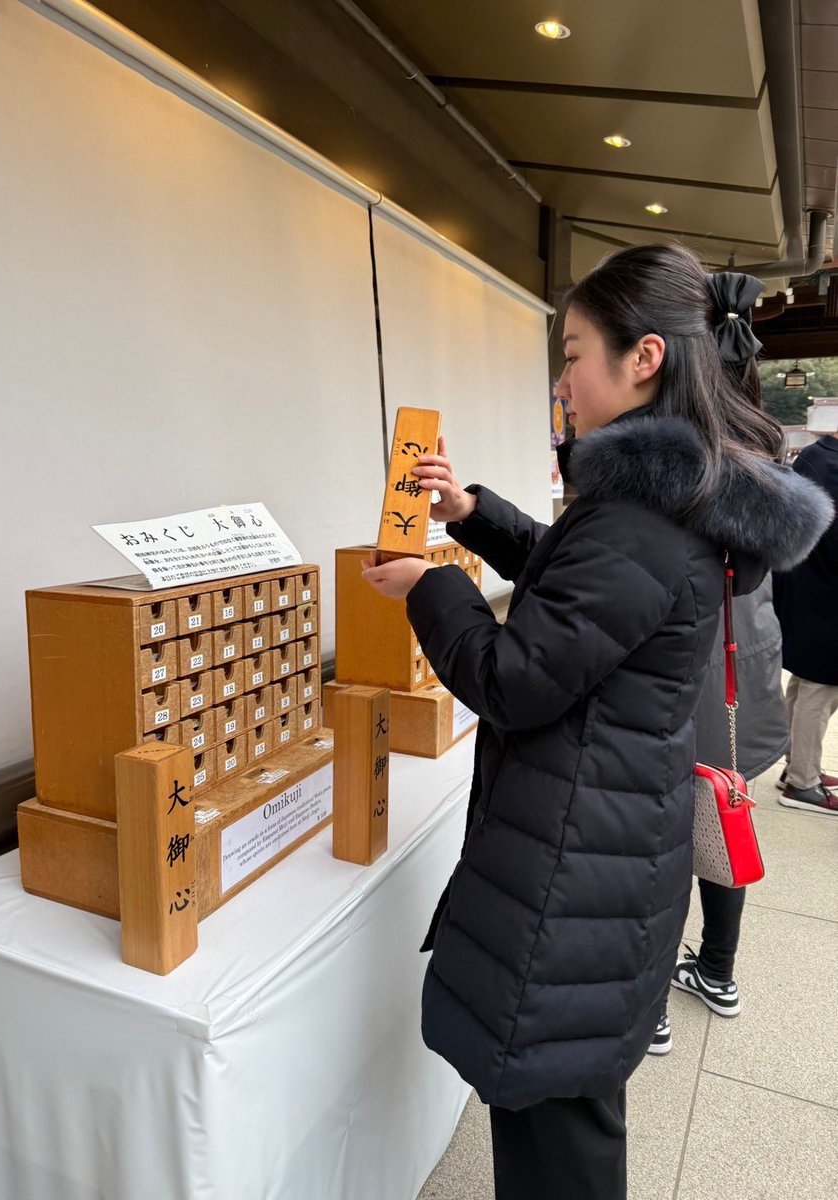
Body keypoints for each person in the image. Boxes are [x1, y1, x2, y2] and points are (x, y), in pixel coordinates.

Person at [361, 243, 834, 1200]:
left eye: (575, 352)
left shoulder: (637, 519)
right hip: (607, 844)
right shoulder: (664, 498)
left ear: (645, 357)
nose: (562, 378)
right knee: (567, 1122)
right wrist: (469, 513)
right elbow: (572, 575)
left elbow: (516, 676)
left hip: (574, 872)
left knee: (556, 1140)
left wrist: (429, 590)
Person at [649, 323, 792, 1056]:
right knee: (726, 812)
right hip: (749, 663)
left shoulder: (686, 468)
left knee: (678, 827)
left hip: (699, 668)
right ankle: (718, 971)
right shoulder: (765, 462)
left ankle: (655, 1010)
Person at [648, 571, 790, 1055]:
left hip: (686, 687)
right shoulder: (765, 504)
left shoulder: (675, 501)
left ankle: (653, 1010)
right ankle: (716, 972)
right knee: (722, 828)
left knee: (664, 850)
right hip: (743, 677)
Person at [772, 426, 838, 816]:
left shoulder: (815, 457)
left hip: (804, 588)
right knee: (823, 689)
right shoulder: (832, 467)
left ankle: (796, 765)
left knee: (804, 683)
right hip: (826, 595)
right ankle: (803, 785)